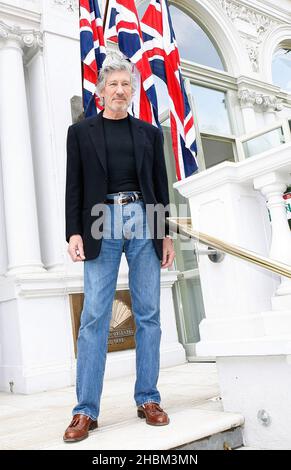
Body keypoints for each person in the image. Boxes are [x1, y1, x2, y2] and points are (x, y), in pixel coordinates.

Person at [63, 52, 175, 443]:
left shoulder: (149, 133)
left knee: (149, 314)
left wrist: (165, 233)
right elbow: (73, 185)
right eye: (112, 84)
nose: (119, 90)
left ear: (132, 91)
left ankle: (148, 398)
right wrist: (73, 232)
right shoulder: (80, 133)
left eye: (126, 84)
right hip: (99, 219)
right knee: (95, 316)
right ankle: (85, 411)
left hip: (144, 219)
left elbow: (160, 185)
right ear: (100, 92)